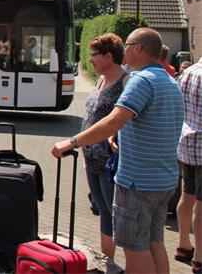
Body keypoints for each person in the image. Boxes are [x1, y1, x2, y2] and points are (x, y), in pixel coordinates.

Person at [52, 27, 184, 274]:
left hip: (138, 182)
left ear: (138, 48)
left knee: (135, 248)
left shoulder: (141, 80)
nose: (124, 50)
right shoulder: (169, 81)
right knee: (155, 242)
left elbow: (113, 120)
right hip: (164, 179)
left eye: (127, 45)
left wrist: (71, 142)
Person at [80, 33, 129, 266]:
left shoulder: (126, 82)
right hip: (91, 158)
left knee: (114, 212)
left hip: (110, 161)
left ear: (109, 57)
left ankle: (122, 261)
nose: (90, 59)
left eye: (94, 55)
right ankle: (106, 261)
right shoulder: (101, 79)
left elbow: (127, 117)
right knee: (102, 210)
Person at [175, 57, 202, 273]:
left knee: (187, 195)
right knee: (200, 203)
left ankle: (183, 244)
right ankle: (200, 258)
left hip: (187, 144)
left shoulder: (188, 72)